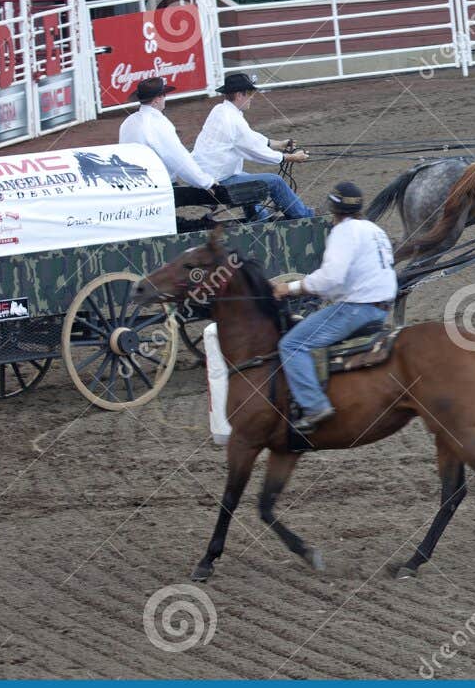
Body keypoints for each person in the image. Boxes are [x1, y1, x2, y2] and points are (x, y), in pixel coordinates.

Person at [271, 181, 398, 433]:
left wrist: (291, 288)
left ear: (333, 209)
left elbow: (331, 278)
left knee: (292, 345)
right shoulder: (374, 229)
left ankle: (314, 405)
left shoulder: (342, 232)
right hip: (382, 306)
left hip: (356, 308)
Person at [191, 72, 313, 219]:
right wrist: (288, 157)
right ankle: (304, 216)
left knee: (249, 180)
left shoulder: (220, 110)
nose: (252, 97)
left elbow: (248, 137)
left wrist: (277, 144)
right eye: (249, 93)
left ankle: (259, 217)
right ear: (239, 95)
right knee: (275, 182)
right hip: (219, 180)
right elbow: (255, 150)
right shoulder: (233, 119)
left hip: (204, 175)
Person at [118, 77, 217, 190]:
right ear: (157, 99)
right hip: (158, 186)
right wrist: (207, 182)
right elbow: (178, 158)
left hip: (130, 184)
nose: (165, 98)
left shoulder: (128, 122)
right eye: (163, 95)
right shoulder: (158, 123)